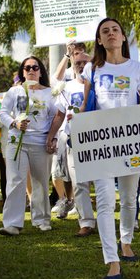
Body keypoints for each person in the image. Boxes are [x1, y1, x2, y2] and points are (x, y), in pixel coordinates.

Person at [75, 18, 140, 279]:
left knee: (128, 199)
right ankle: (112, 260)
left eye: (115, 30)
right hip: (100, 141)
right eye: (105, 31)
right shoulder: (92, 68)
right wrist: (76, 124)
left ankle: (126, 241)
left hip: (131, 140)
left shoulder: (136, 67)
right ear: (99, 40)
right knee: (104, 201)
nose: (111, 34)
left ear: (123, 37)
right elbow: (88, 103)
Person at [0, 56, 59, 236]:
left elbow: (57, 116)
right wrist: (14, 123)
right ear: (22, 72)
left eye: (35, 67)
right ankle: (12, 224)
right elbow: (2, 113)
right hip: (17, 142)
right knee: (16, 181)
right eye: (27, 68)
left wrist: (53, 138)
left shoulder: (50, 93)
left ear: (41, 71)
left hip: (41, 143)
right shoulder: (14, 91)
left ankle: (41, 219)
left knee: (41, 182)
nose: (31, 70)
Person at [47, 52, 95, 235]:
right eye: (78, 62)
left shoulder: (96, 86)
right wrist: (51, 135)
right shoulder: (66, 87)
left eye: (85, 62)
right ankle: (86, 223)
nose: (81, 65)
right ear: (72, 65)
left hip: (97, 138)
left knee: (100, 182)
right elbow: (59, 115)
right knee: (78, 182)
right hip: (73, 140)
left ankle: (110, 220)